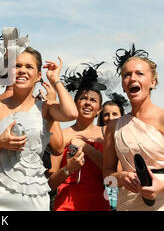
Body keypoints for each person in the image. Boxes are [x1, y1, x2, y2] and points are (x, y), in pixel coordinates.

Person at [0, 46, 74, 211]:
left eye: (29, 67)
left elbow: (71, 113)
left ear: (38, 76)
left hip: (33, 197)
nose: (22, 71)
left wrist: (55, 79)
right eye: (17, 66)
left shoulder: (46, 108)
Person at [103, 44, 164, 211]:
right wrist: (120, 177)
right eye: (126, 75)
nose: (132, 78)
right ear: (123, 85)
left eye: (140, 73)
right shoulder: (113, 127)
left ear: (153, 81)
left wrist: (160, 186)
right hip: (126, 204)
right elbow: (107, 175)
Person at [49, 62, 111, 211]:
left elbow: (112, 172)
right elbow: (51, 183)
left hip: (100, 204)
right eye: (83, 98)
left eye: (93, 100)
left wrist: (85, 146)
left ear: (99, 110)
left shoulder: (106, 134)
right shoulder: (62, 135)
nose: (87, 103)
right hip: (66, 205)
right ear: (75, 103)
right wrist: (69, 169)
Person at [96, 92, 128, 211]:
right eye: (106, 114)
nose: (111, 118)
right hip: (101, 191)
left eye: (115, 114)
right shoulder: (97, 138)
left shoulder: (128, 139)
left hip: (124, 189)